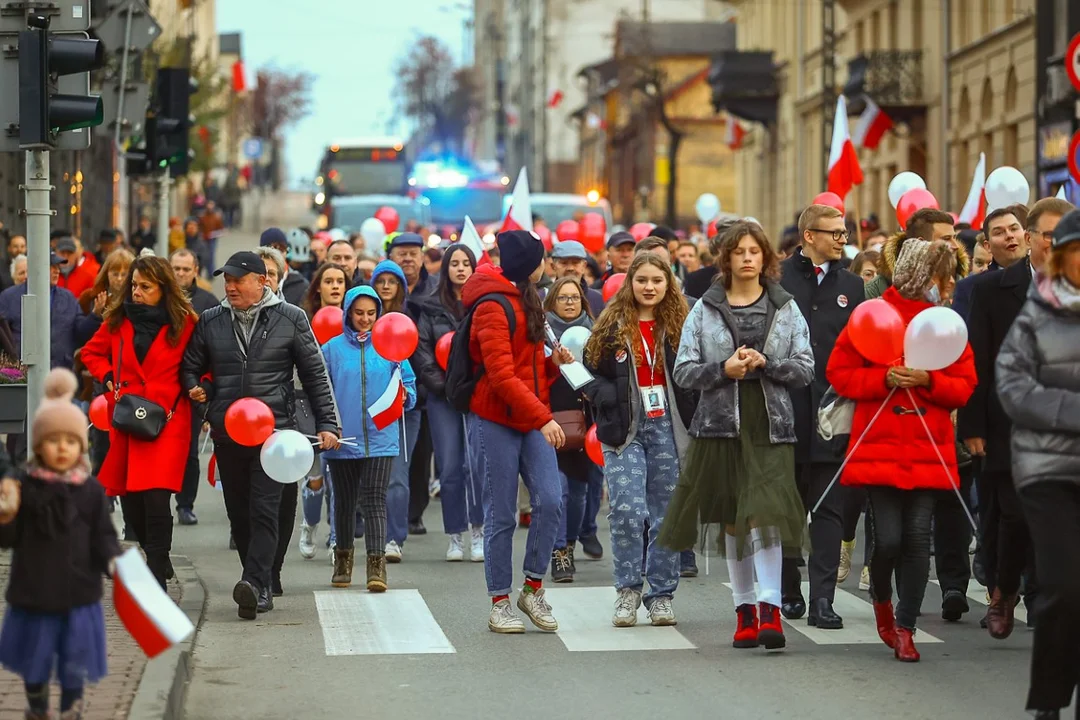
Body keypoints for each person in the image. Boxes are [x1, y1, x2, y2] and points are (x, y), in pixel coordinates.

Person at [661, 222, 812, 650]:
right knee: (733, 518)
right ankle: (744, 610)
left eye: (754, 251)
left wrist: (767, 363)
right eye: (739, 251)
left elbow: (805, 366)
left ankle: (770, 609)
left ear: (766, 258)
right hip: (720, 426)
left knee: (763, 516)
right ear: (725, 259)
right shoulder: (704, 308)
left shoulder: (785, 307)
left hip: (771, 426)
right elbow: (684, 371)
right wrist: (722, 370)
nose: (747, 258)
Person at [827, 239, 977, 662]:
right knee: (888, 539)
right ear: (915, 273)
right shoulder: (872, 314)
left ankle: (906, 627)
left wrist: (930, 382)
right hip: (878, 446)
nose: (942, 287)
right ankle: (881, 601)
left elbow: (964, 384)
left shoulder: (944, 322)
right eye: (936, 277)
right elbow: (839, 373)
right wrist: (884, 379)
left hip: (929, 446)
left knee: (915, 538)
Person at [181, 251, 339, 619]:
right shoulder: (211, 321)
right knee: (239, 514)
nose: (231, 286)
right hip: (229, 432)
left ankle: (255, 584)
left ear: (262, 282)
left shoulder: (291, 318)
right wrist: (202, 400)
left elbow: (315, 374)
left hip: (275, 432)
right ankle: (262, 575)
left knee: (265, 508)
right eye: (227, 280)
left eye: (238, 280)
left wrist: (328, 423)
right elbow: (190, 367)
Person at [958, 197, 1072, 635]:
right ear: (1030, 239)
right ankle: (1005, 591)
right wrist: (972, 427)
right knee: (1015, 516)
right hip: (1010, 425)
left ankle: (1048, 599)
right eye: (1050, 235)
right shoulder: (993, 290)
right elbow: (978, 362)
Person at [464, 230, 575, 634]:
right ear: (532, 264)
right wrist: (544, 418)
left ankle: (532, 588)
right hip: (496, 419)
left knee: (550, 498)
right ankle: (499, 601)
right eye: (543, 259)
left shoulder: (529, 300)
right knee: (503, 513)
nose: (547, 265)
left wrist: (553, 365)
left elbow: (528, 369)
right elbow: (500, 377)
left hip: (528, 415)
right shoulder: (491, 306)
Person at [995, 208, 1080, 720]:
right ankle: (1050, 702)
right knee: (1066, 585)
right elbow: (1013, 387)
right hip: (1048, 470)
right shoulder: (1035, 314)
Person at [0, 369, 122, 720]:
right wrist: (6, 517)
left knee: (74, 659)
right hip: (34, 591)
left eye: (70, 441)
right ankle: (37, 705)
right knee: (34, 660)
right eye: (53, 441)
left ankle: (71, 707)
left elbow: (103, 535)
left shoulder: (91, 490)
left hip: (78, 593)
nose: (62, 448)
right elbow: (9, 540)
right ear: (39, 446)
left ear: (80, 446)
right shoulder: (24, 486)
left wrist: (113, 561)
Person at [583, 252, 697, 626]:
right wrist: (607, 398)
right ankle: (628, 591)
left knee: (666, 516)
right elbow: (588, 372)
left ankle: (661, 594)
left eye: (657, 280)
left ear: (669, 284)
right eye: (642, 280)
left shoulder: (682, 325)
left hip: (669, 427)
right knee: (628, 511)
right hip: (624, 429)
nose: (649, 287)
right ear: (630, 283)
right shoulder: (613, 324)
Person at [80, 256, 197, 589]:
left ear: (163, 288)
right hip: (130, 420)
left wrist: (201, 385)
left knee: (157, 498)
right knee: (131, 505)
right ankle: (157, 554)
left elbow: (202, 362)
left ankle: (157, 574)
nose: (137, 292)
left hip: (169, 422)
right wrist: (107, 377)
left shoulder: (185, 323)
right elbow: (90, 353)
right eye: (134, 286)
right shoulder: (118, 321)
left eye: (145, 287)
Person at [778, 204, 865, 629]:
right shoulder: (777, 279)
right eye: (834, 233)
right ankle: (789, 586)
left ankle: (824, 600)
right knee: (788, 508)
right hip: (785, 412)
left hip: (834, 413)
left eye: (844, 233)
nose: (841, 240)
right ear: (809, 236)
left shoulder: (853, 284)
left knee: (830, 509)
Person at [321, 285, 417, 590]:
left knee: (375, 499)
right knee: (345, 502)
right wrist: (327, 427)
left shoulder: (392, 345)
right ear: (348, 313)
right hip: (342, 439)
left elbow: (410, 384)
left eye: (371, 313)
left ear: (379, 314)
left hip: (380, 438)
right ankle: (343, 560)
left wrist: (405, 397)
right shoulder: (332, 350)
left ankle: (377, 566)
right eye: (359, 313)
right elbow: (321, 392)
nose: (365, 319)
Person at [413, 244, 484, 563]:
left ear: (473, 268)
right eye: (453, 263)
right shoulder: (430, 308)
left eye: (465, 263)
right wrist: (444, 387)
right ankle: (455, 535)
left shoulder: (484, 304)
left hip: (477, 398)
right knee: (451, 467)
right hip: (443, 398)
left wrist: (474, 387)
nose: (459, 268)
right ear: (445, 269)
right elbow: (423, 353)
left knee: (477, 467)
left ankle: (479, 531)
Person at [297, 262, 353, 562]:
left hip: (344, 406)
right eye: (328, 281)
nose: (334, 286)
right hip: (310, 406)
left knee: (337, 478)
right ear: (317, 287)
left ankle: (335, 539)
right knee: (316, 476)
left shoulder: (354, 320)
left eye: (340, 281)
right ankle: (309, 524)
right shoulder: (302, 321)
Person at [543, 276, 596, 582]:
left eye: (574, 297)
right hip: (551, 419)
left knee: (578, 492)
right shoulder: (542, 333)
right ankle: (559, 551)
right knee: (558, 488)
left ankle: (571, 542)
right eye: (562, 298)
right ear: (552, 302)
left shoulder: (595, 330)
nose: (569, 302)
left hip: (585, 420)